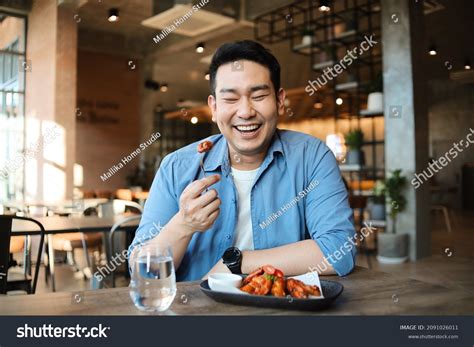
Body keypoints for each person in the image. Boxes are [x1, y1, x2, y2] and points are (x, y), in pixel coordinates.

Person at [129, 40, 356, 281]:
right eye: (230, 99)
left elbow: (339, 250)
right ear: (214, 107)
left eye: (258, 95)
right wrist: (183, 226)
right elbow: (142, 272)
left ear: (279, 101)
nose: (245, 111)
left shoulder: (311, 157)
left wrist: (236, 263)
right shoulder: (177, 167)